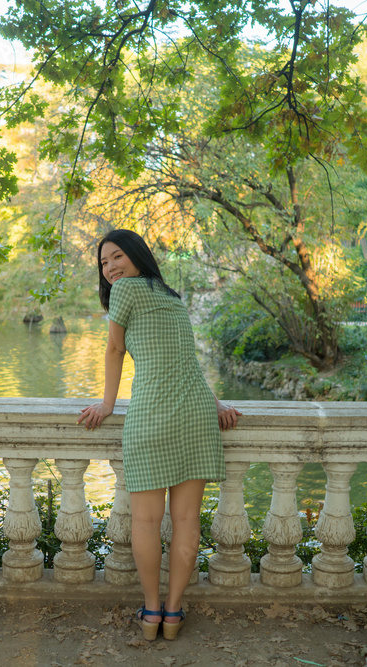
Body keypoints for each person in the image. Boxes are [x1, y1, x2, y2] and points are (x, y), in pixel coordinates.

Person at [77, 229, 242, 641]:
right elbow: (186, 361)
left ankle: (151, 612)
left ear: (136, 256)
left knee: (147, 521)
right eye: (103, 262)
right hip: (196, 416)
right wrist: (216, 404)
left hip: (152, 416)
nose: (110, 267)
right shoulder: (171, 297)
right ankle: (174, 614)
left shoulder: (126, 292)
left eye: (116, 257)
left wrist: (108, 404)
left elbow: (114, 350)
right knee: (187, 521)